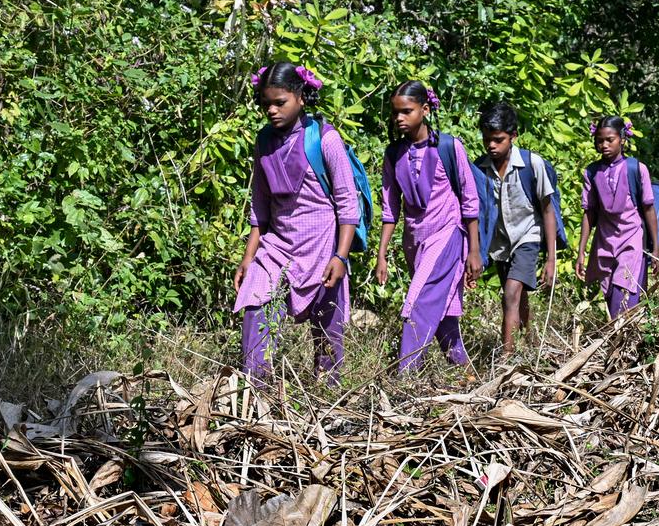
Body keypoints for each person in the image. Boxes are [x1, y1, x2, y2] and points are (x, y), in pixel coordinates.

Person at [233, 62, 358, 385]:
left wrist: (340, 256)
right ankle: (255, 388)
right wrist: (249, 257)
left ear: (301, 97)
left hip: (322, 245)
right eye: (266, 104)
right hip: (277, 244)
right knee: (255, 303)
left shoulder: (325, 139)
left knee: (327, 324)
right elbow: (260, 205)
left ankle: (328, 390)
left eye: (280, 102)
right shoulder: (264, 141)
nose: (272, 111)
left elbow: (347, 205)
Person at [376, 80, 483, 373]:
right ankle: (463, 369)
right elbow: (390, 208)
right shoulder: (393, 153)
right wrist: (382, 254)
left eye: (407, 111)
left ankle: (406, 375)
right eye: (395, 112)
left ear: (424, 110)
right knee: (440, 306)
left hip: (447, 235)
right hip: (415, 241)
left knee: (420, 302)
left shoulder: (449, 147)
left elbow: (470, 201)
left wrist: (474, 251)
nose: (399, 118)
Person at [476, 102, 558, 353]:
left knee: (510, 293)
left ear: (513, 136)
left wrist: (551, 258)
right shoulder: (480, 168)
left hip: (528, 236)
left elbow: (548, 210)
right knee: (517, 296)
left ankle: (506, 358)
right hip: (500, 242)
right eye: (487, 140)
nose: (491, 145)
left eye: (498, 140)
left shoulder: (533, 164)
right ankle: (528, 343)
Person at [575, 116, 659, 317]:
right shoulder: (592, 172)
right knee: (610, 294)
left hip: (631, 241)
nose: (604, 145)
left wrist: (655, 248)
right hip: (605, 243)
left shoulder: (636, 169)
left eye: (610, 140)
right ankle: (618, 335)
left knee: (623, 297)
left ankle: (622, 335)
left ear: (622, 139)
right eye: (600, 141)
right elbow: (589, 212)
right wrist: (581, 251)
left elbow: (648, 209)